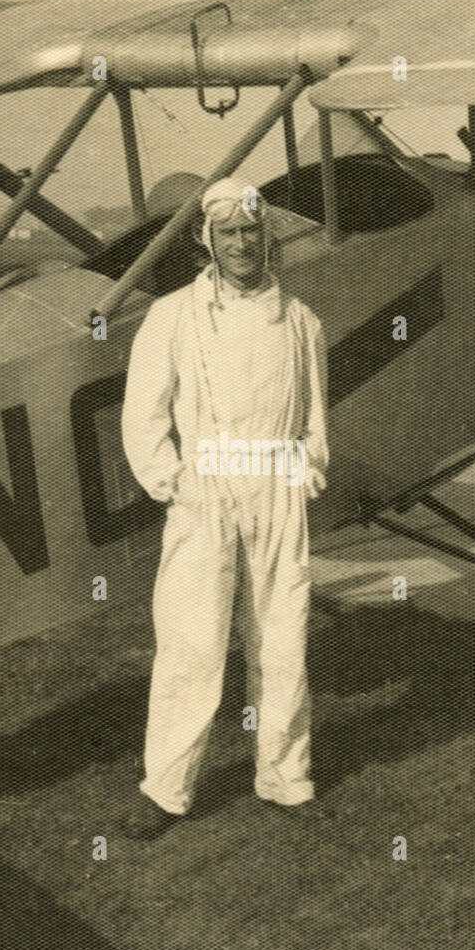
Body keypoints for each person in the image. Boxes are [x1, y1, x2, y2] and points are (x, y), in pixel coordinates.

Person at [121, 175, 329, 837]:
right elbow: (143, 413)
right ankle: (165, 789)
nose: (241, 245)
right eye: (228, 234)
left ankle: (284, 775)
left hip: (275, 491)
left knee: (281, 639)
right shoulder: (171, 316)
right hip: (203, 494)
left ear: (267, 237)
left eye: (251, 231)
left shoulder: (301, 322)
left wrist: (307, 470)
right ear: (206, 241)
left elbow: (314, 419)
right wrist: (169, 480)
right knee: (191, 642)